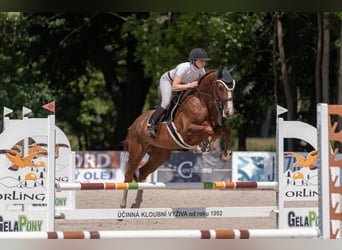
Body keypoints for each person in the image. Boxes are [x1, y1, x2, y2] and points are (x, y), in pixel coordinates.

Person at [147, 48, 210, 138]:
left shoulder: (202, 71)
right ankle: (152, 126)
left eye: (204, 61)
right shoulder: (184, 67)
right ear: (193, 60)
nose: (203, 63)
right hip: (168, 81)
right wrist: (190, 85)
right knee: (166, 102)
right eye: (201, 61)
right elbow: (174, 87)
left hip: (184, 84)